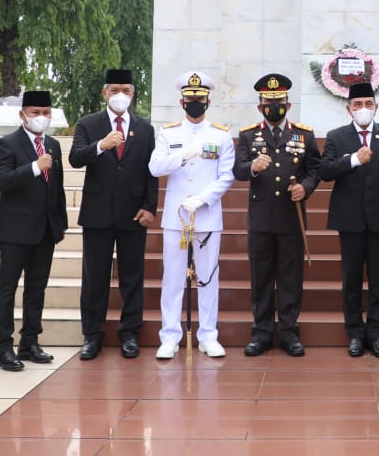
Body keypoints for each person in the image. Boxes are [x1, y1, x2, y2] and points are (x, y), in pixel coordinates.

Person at [69, 69, 158, 360]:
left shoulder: (144, 129)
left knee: (132, 276)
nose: (121, 95)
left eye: (127, 90)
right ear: (104, 92)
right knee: (95, 276)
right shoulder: (88, 124)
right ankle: (92, 335)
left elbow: (151, 172)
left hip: (133, 213)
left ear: (133, 94)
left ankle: (129, 333)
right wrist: (101, 145)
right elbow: (75, 158)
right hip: (97, 212)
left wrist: (149, 206)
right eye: (115, 89)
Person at [319, 82, 379, 358]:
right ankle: (355, 334)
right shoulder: (337, 136)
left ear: (376, 107)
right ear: (349, 109)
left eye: (368, 104)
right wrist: (354, 160)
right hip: (350, 220)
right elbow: (325, 171)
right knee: (352, 279)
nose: (363, 109)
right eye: (357, 105)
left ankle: (377, 333)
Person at [233, 73, 322, 356]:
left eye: (280, 101)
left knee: (289, 277)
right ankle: (261, 333)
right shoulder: (248, 135)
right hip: (260, 219)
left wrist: (305, 188)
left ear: (288, 104)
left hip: (290, 218)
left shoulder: (304, 134)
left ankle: (288, 332)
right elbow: (238, 169)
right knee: (260, 277)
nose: (275, 106)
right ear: (260, 106)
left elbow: (315, 170)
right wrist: (253, 167)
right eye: (269, 102)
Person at [149, 71, 235, 359]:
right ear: (182, 102)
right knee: (173, 278)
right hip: (176, 218)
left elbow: (226, 177)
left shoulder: (221, 135)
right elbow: (155, 167)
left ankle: (208, 335)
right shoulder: (168, 133)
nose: (195, 103)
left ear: (208, 101)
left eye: (200, 99)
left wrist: (203, 198)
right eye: (190, 99)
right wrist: (184, 155)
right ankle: (170, 336)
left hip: (207, 216)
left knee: (208, 278)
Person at [0, 90, 68, 371]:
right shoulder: (7, 144)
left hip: (45, 230)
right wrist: (35, 166)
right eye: (35, 112)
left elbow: (56, 188)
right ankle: (3, 346)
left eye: (46, 112)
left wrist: (59, 224)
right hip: (15, 229)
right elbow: (3, 181)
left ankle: (30, 341)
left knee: (37, 288)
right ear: (22, 115)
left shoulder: (54, 146)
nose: (41, 118)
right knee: (7, 288)